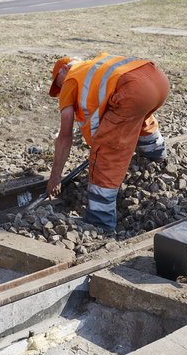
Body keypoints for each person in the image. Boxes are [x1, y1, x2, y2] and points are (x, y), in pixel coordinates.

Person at [47, 53, 170, 232]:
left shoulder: (71, 78)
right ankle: (156, 157)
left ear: (65, 68)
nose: (60, 90)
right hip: (158, 79)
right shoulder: (97, 66)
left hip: (133, 90)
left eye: (58, 83)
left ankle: (99, 220)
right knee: (137, 116)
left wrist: (55, 177)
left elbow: (65, 136)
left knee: (106, 152)